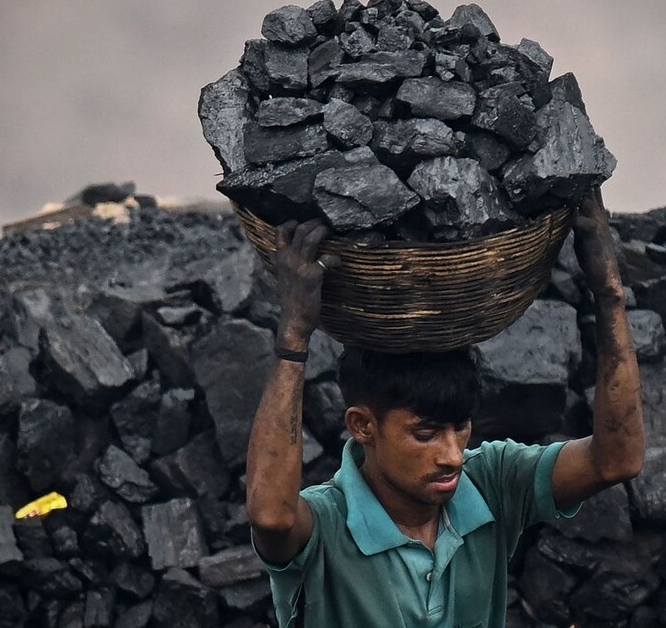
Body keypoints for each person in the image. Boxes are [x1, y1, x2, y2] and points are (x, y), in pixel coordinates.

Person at [245, 188, 645, 627]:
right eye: (426, 433)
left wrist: (609, 294)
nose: (453, 455)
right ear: (362, 425)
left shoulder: (492, 484)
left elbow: (616, 460)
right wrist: (295, 335)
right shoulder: (326, 524)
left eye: (461, 428)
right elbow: (271, 516)